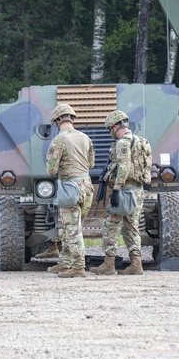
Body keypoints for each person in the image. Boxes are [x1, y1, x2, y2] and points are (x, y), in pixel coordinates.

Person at [44, 104, 95, 278]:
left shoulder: (59, 140)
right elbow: (91, 164)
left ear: (58, 121)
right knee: (72, 226)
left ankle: (78, 266)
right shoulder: (85, 138)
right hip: (87, 186)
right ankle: (65, 263)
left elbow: (51, 169)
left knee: (72, 229)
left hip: (70, 188)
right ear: (72, 119)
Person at [92, 109, 144, 276]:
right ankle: (136, 264)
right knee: (132, 227)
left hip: (124, 191)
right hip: (137, 190)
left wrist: (115, 190)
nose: (110, 133)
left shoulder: (122, 143)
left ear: (116, 126)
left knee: (110, 224)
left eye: (109, 129)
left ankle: (109, 264)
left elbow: (124, 166)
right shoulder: (139, 140)